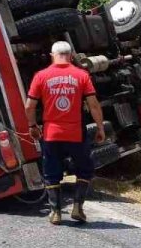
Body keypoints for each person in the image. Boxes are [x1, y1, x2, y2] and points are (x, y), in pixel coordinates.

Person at [26, 41, 105, 225]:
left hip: (51, 134)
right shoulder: (81, 75)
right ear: (70, 56)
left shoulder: (41, 76)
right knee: (84, 169)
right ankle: (77, 207)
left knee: (51, 172)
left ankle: (55, 213)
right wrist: (100, 127)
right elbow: (93, 105)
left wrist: (32, 126)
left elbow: (29, 106)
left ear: (52, 56)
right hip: (76, 133)